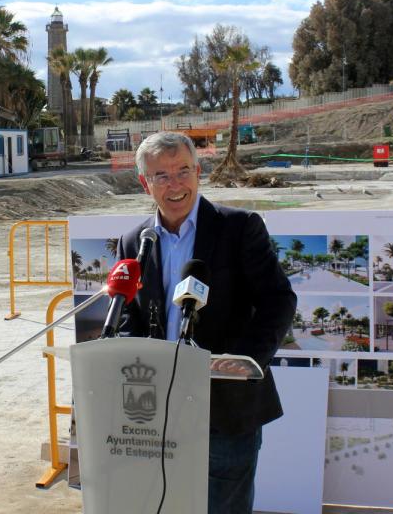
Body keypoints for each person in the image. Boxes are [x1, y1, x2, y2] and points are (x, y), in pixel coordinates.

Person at [115, 132, 296, 514]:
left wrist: (246, 361)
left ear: (199, 172)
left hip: (227, 406)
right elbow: (129, 316)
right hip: (155, 408)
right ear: (144, 183)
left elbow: (278, 301)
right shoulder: (134, 241)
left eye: (183, 170)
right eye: (161, 175)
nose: (175, 184)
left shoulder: (240, 227)